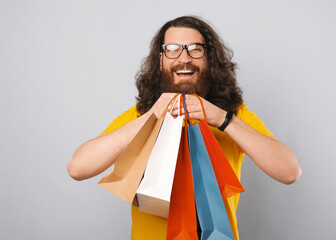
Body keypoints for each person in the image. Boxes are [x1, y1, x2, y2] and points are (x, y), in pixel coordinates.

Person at [67, 16, 302, 240]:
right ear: (160, 60)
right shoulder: (139, 116)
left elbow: (290, 171)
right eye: (172, 49)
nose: (184, 58)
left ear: (209, 58)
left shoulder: (234, 115)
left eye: (195, 48)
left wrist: (221, 118)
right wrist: (150, 117)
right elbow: (77, 168)